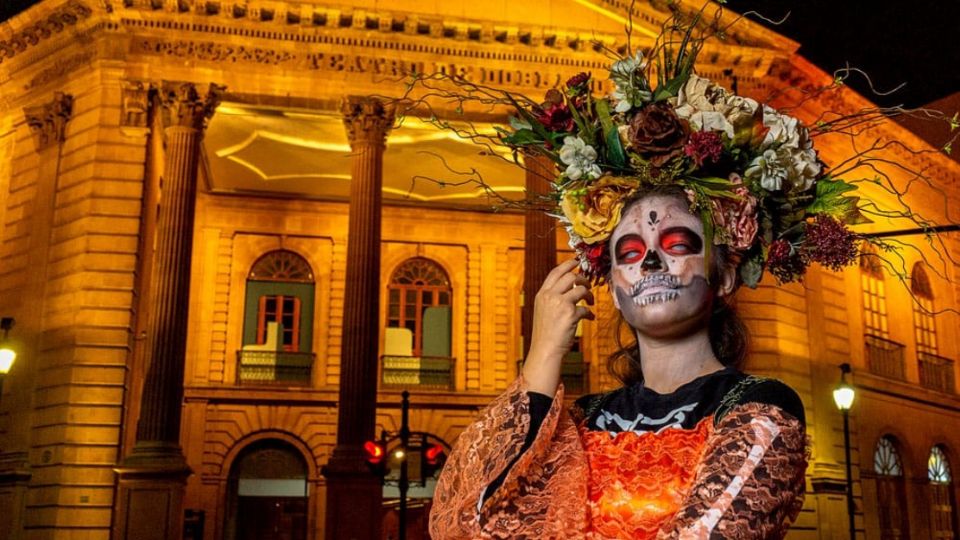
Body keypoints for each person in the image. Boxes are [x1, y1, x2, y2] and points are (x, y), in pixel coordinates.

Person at [423, 16, 871, 538]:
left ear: (724, 275)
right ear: (611, 283)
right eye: (631, 251)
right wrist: (543, 354)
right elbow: (466, 523)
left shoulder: (758, 405)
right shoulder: (580, 421)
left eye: (678, 244)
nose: (652, 261)